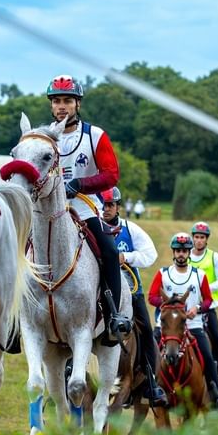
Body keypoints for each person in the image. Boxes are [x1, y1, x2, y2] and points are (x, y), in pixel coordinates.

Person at [47, 75, 132, 344]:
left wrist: (81, 183)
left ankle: (113, 315)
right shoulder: (43, 136)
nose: (62, 106)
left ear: (77, 104)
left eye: (68, 101)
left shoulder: (95, 136)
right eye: (57, 101)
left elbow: (111, 174)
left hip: (83, 209)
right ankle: (11, 322)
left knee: (108, 251)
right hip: (48, 210)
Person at [101, 186, 167, 407]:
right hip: (98, 291)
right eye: (102, 204)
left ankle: (150, 381)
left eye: (110, 205)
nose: (105, 209)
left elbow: (150, 254)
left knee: (147, 331)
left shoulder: (131, 229)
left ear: (118, 206)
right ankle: (68, 376)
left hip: (131, 290)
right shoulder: (91, 228)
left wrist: (125, 257)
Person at [148, 232, 218, 410]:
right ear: (173, 252)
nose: (181, 254)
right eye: (178, 250)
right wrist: (168, 305)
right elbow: (152, 296)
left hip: (193, 325)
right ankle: (148, 388)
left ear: (189, 252)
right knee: (149, 350)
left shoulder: (199, 275)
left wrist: (197, 308)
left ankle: (216, 395)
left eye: (185, 250)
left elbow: (208, 300)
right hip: (166, 327)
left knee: (207, 357)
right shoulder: (163, 273)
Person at [190, 221, 218, 381]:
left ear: (206, 239)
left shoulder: (214, 257)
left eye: (202, 237)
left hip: (208, 306)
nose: (199, 240)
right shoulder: (185, 256)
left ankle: (216, 372)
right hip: (189, 306)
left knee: (217, 337)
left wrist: (203, 288)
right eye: (196, 237)